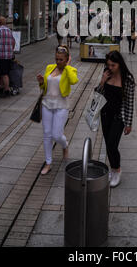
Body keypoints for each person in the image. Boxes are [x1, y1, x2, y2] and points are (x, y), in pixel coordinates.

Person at [37, 45, 79, 175]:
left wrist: (67, 66)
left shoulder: (70, 70)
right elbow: (44, 87)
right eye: (57, 59)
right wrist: (40, 82)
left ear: (66, 59)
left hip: (61, 106)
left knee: (57, 135)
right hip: (46, 105)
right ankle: (48, 163)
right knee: (47, 134)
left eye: (61, 59)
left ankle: (65, 145)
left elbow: (74, 81)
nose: (58, 62)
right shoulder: (50, 68)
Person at [95, 51, 135, 188]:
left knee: (112, 145)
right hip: (105, 115)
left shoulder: (128, 79)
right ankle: (112, 169)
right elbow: (97, 95)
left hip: (119, 117)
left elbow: (129, 103)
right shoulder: (107, 74)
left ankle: (117, 170)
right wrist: (102, 81)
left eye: (113, 65)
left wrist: (128, 124)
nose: (110, 68)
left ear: (119, 64)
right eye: (108, 65)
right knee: (108, 145)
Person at [0, 16, 15, 98]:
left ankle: (7, 90)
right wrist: (11, 51)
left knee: (4, 74)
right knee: (2, 72)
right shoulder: (9, 31)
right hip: (8, 55)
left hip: (1, 55)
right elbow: (13, 42)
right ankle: (1, 88)